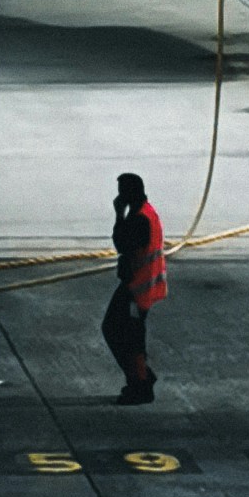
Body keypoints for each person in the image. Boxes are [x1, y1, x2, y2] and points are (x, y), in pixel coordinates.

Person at [104, 171, 165, 401]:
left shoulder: (138, 219)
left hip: (136, 289)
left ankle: (140, 384)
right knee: (126, 333)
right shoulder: (146, 212)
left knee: (124, 335)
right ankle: (140, 378)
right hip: (142, 286)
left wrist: (119, 214)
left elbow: (121, 243)